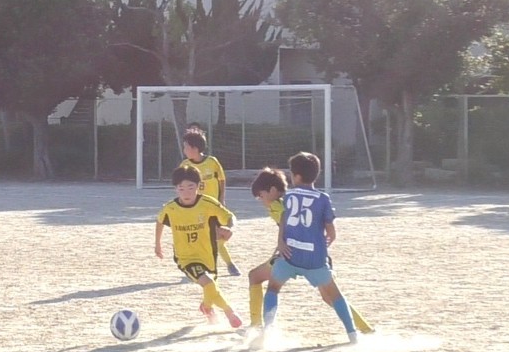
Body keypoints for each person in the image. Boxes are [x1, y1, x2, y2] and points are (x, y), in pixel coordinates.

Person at [247, 167, 372, 334]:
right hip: (312, 254)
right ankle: (365, 329)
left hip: (294, 256)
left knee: (256, 277)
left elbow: (287, 229)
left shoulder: (279, 206)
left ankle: (256, 327)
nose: (261, 200)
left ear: (273, 191)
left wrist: (280, 248)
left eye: (261, 196)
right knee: (330, 297)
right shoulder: (291, 199)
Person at [155, 165, 243, 329]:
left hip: (208, 255)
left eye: (191, 187)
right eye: (181, 189)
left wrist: (230, 228)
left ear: (198, 186)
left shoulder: (207, 203)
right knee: (208, 283)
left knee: (211, 286)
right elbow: (160, 220)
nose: (186, 193)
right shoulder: (170, 208)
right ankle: (230, 312)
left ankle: (206, 307)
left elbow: (230, 216)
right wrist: (157, 244)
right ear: (176, 189)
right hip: (186, 258)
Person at [179, 130, 239, 276]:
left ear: (194, 148)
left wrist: (222, 198)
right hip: (196, 209)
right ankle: (207, 265)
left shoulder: (212, 162)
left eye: (186, 147)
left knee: (218, 235)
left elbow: (222, 180)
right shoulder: (185, 165)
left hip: (213, 207)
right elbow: (180, 186)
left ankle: (228, 264)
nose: (184, 150)